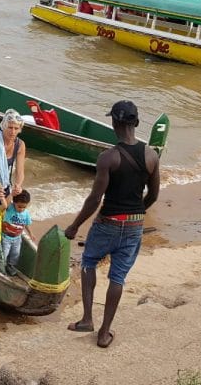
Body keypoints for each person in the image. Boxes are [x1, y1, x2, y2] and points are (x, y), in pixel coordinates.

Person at [63, 100, 160, 349]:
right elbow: (153, 195)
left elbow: (95, 199)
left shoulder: (108, 158)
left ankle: (87, 319)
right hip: (134, 225)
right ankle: (104, 333)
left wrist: (74, 226)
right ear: (136, 123)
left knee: (88, 262)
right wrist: (136, 213)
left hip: (107, 222)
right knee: (118, 277)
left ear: (114, 122)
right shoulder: (151, 155)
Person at [0, 190, 33, 276]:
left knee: (15, 254)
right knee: (4, 253)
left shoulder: (26, 213)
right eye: (19, 207)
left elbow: (26, 224)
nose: (21, 209)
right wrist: (11, 194)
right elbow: (5, 204)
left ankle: (10, 266)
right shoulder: (10, 208)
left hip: (17, 239)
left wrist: (30, 233)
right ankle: (0, 267)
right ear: (14, 203)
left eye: (24, 207)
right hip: (6, 237)